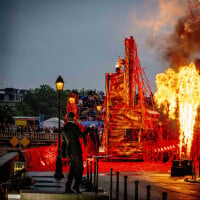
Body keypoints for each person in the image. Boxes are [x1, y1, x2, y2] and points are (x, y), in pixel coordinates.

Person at [62, 111, 93, 194]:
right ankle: (76, 186)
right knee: (80, 168)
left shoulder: (64, 127)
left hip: (69, 151)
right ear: (74, 118)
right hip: (76, 150)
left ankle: (68, 187)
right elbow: (81, 135)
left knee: (72, 169)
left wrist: (64, 153)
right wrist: (89, 129)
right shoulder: (74, 126)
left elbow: (64, 141)